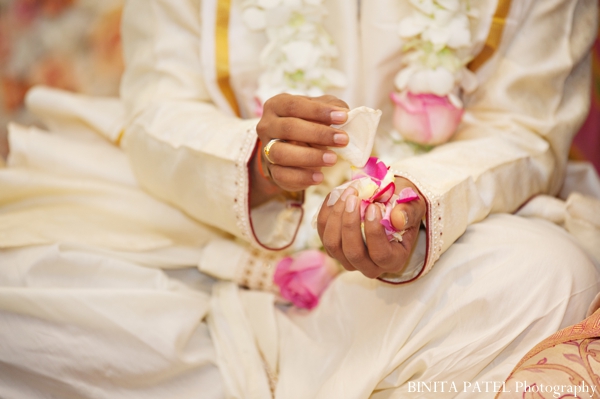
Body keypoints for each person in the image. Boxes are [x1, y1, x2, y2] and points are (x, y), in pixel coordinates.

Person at [0, 0, 599, 397]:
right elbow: (157, 105)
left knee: (548, 277)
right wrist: (255, 165)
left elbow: (524, 130)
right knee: (24, 291)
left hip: (430, 259)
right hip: (203, 246)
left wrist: (417, 203)